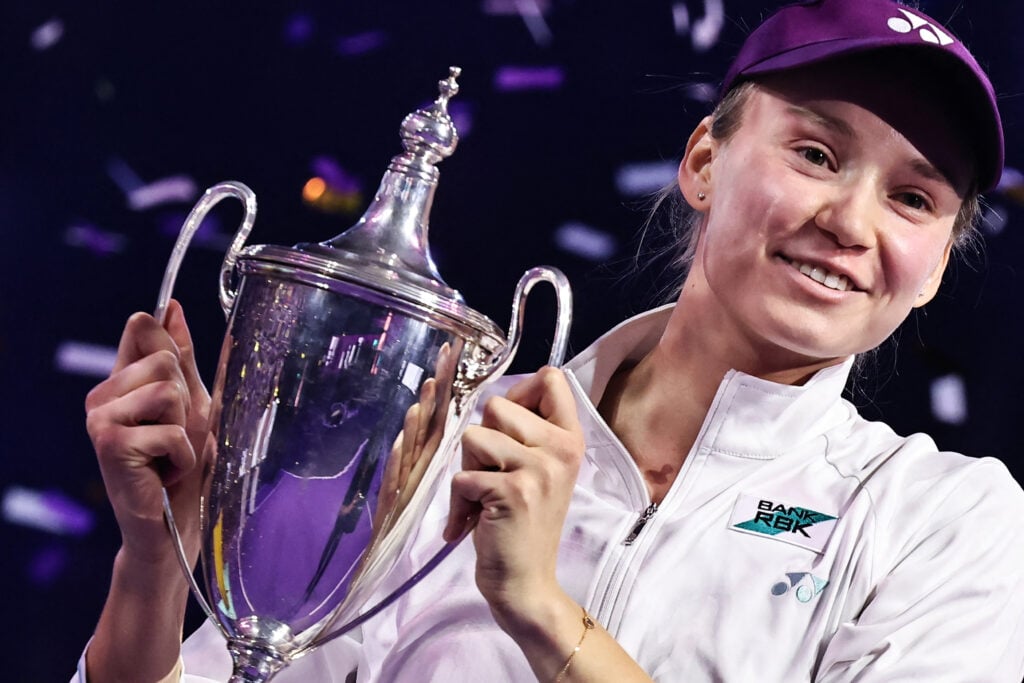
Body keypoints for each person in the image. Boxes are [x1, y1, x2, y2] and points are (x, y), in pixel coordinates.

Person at [75, 0, 1024, 680]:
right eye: (815, 153)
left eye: (913, 198)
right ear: (704, 160)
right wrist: (154, 563)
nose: (850, 222)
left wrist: (542, 610)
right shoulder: (442, 436)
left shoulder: (944, 523)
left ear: (935, 266)